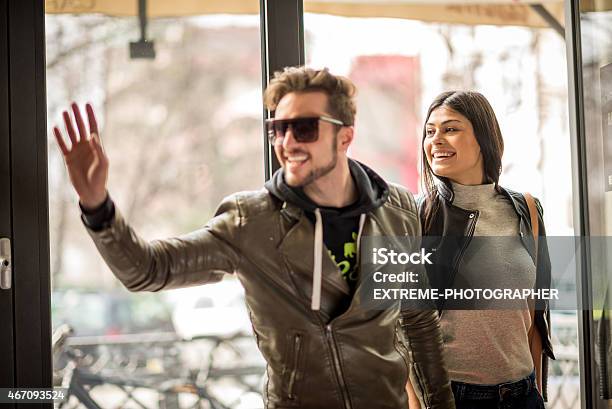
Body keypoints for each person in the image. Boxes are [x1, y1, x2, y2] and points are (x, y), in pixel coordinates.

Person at [53, 66, 455, 409]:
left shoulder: (397, 211)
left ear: (345, 136)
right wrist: (97, 205)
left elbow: (417, 323)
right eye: (277, 130)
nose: (287, 142)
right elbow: (147, 269)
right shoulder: (251, 222)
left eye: (304, 128)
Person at [412, 90, 555, 409]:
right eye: (430, 131)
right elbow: (399, 330)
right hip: (452, 396)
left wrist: (538, 391)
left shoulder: (527, 209)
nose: (436, 140)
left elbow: (534, 314)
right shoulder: (415, 216)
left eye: (450, 129)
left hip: (523, 395)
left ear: (484, 137)